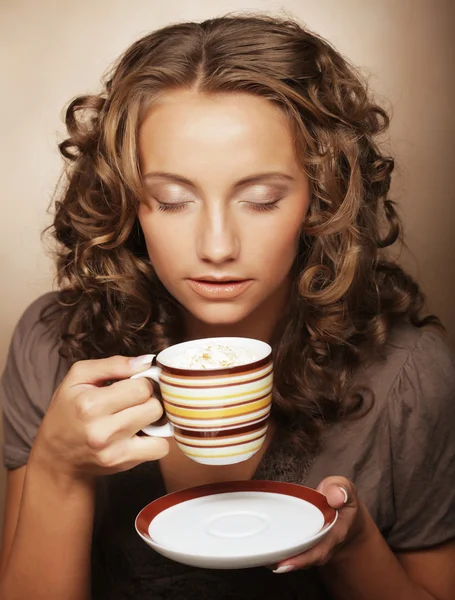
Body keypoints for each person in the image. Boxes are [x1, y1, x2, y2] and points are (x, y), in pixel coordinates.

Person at [0, 13, 454, 600]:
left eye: (261, 201)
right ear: (125, 201)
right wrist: (59, 470)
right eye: (171, 200)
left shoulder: (410, 377)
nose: (217, 248)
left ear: (323, 199)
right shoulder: (50, 344)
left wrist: (354, 544)